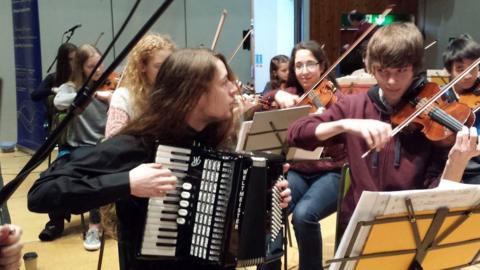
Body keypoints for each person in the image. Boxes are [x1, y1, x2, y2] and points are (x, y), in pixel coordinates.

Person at [27, 49, 292, 270]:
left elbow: (233, 227)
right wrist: (127, 182)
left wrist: (269, 203)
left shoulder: (215, 142)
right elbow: (42, 193)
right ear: (194, 93)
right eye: (224, 82)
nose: (235, 89)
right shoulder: (139, 144)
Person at [287, 22, 477, 246]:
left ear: (415, 68)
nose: (392, 82)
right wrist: (345, 124)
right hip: (357, 225)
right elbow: (297, 132)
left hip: (409, 228)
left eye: (402, 71)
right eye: (383, 72)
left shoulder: (432, 120)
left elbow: (434, 193)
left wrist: (456, 163)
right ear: (371, 68)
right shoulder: (353, 105)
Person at [262, 41, 345, 270]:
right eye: (298, 65)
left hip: (331, 170)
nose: (304, 71)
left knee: (304, 214)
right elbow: (261, 102)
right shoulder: (290, 95)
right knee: (273, 204)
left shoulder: (337, 98)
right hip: (298, 169)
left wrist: (328, 121)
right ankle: (269, 265)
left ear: (322, 66)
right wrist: (276, 93)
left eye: (310, 64)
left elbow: (347, 129)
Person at [40, 44, 111, 251]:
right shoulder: (70, 88)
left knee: (92, 172)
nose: (98, 70)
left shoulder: (110, 86)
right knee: (54, 175)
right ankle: (55, 222)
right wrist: (94, 94)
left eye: (100, 65)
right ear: (81, 69)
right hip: (75, 146)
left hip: (100, 144)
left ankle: (94, 227)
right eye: (92, 67)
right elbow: (60, 102)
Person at [106, 33, 175, 138]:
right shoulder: (123, 97)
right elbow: (113, 139)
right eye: (159, 66)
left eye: (170, 65)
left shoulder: (173, 94)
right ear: (142, 66)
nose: (166, 71)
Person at [442, 34, 480, 184]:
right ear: (448, 70)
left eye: (473, 67)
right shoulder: (441, 97)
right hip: (447, 166)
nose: (469, 75)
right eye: (460, 68)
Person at [31, 43, 77, 134]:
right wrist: (53, 90)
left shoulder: (81, 77)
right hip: (58, 125)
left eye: (77, 59)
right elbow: (35, 95)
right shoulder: (53, 78)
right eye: (71, 59)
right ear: (63, 62)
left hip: (77, 125)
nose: (75, 63)